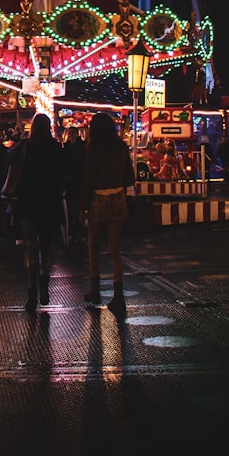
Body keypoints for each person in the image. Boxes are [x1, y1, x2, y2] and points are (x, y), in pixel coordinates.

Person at [2, 113, 65, 311]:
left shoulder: (24, 147)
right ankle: (44, 287)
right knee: (46, 248)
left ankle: (31, 294)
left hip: (28, 202)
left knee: (30, 248)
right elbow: (63, 174)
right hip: (49, 203)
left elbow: (9, 159)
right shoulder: (55, 148)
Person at [79, 112, 135, 313]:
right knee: (114, 249)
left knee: (93, 244)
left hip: (98, 198)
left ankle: (95, 289)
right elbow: (130, 177)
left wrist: (83, 206)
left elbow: (89, 178)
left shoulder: (93, 148)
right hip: (118, 197)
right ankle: (118, 294)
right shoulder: (120, 147)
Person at [61, 125, 86, 244]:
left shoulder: (82, 146)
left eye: (72, 133)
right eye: (69, 133)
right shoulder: (67, 147)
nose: (70, 135)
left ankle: (79, 232)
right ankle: (72, 232)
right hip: (71, 181)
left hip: (79, 180)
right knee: (71, 208)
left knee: (79, 207)